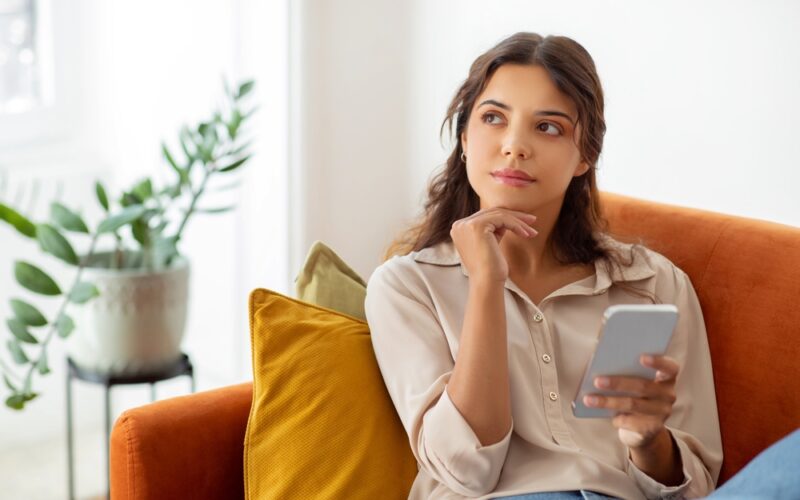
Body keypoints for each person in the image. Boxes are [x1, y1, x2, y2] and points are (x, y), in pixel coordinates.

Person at [364, 32, 725, 500]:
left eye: (548, 127)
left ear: (586, 155)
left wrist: (648, 439)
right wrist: (487, 286)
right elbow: (469, 469)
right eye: (493, 118)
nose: (515, 146)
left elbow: (698, 488)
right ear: (465, 137)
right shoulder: (407, 286)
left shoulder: (653, 282)